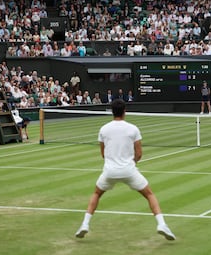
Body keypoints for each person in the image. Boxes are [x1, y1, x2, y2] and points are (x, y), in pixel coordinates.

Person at [75, 99, 176, 240]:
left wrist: (114, 162)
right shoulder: (133, 128)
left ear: (112, 111)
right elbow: (139, 154)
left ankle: (85, 224)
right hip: (129, 171)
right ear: (124, 111)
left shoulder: (104, 129)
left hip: (109, 171)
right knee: (149, 194)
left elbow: (103, 154)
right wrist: (130, 163)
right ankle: (161, 224)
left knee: (97, 193)